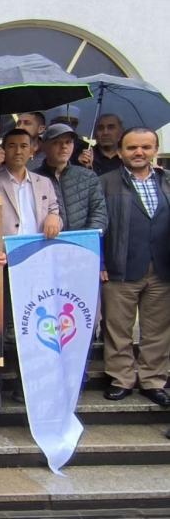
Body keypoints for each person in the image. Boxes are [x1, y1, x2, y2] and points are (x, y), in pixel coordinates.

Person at [0, 128, 62, 405]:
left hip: (35, 264)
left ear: (33, 149)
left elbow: (54, 210)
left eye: (24, 145)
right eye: (11, 145)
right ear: (3, 149)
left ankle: (28, 383)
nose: (18, 151)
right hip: (2, 262)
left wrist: (55, 218)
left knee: (33, 325)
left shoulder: (43, 182)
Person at [99, 127, 170, 406]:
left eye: (145, 147)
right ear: (120, 152)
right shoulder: (105, 183)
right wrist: (100, 261)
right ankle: (121, 379)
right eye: (131, 148)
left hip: (162, 267)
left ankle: (153, 380)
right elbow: (97, 226)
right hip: (120, 265)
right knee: (118, 328)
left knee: (158, 329)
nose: (139, 152)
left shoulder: (167, 181)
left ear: (155, 150)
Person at [34, 123, 107, 232]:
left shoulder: (88, 176)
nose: (64, 146)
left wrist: (84, 238)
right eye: (56, 142)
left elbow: (99, 214)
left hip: (83, 240)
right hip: (47, 240)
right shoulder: (33, 179)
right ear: (44, 146)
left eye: (68, 142)